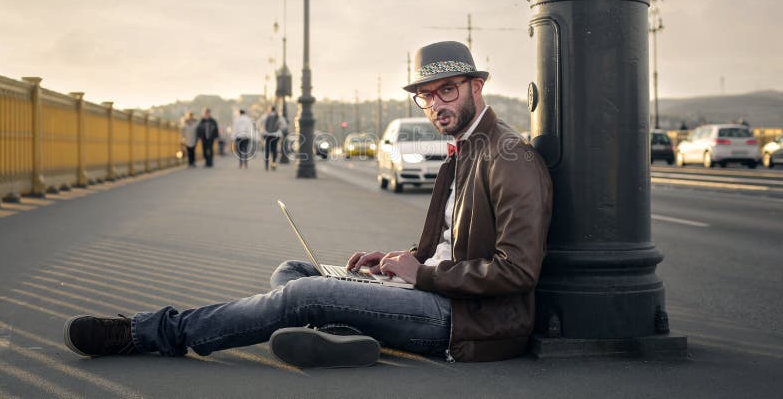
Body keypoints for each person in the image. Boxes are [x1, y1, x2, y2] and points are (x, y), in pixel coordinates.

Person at [62, 41, 553, 367]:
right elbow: (452, 245)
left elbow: (518, 271)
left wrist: (420, 275)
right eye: (426, 97)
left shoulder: (508, 155)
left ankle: (149, 332)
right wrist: (396, 261)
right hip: (433, 294)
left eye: (447, 90)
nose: (436, 105)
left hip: (465, 322)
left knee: (302, 296)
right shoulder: (466, 149)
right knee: (295, 269)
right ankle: (341, 335)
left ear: (475, 87)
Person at [257, 105, 287, 171]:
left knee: (267, 150)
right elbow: (284, 126)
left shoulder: (265, 116)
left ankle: (266, 165)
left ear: (270, 109)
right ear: (275, 109)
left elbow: (258, 124)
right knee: (274, 149)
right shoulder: (279, 117)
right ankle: (273, 163)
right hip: (276, 135)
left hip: (267, 135)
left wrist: (261, 130)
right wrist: (279, 129)